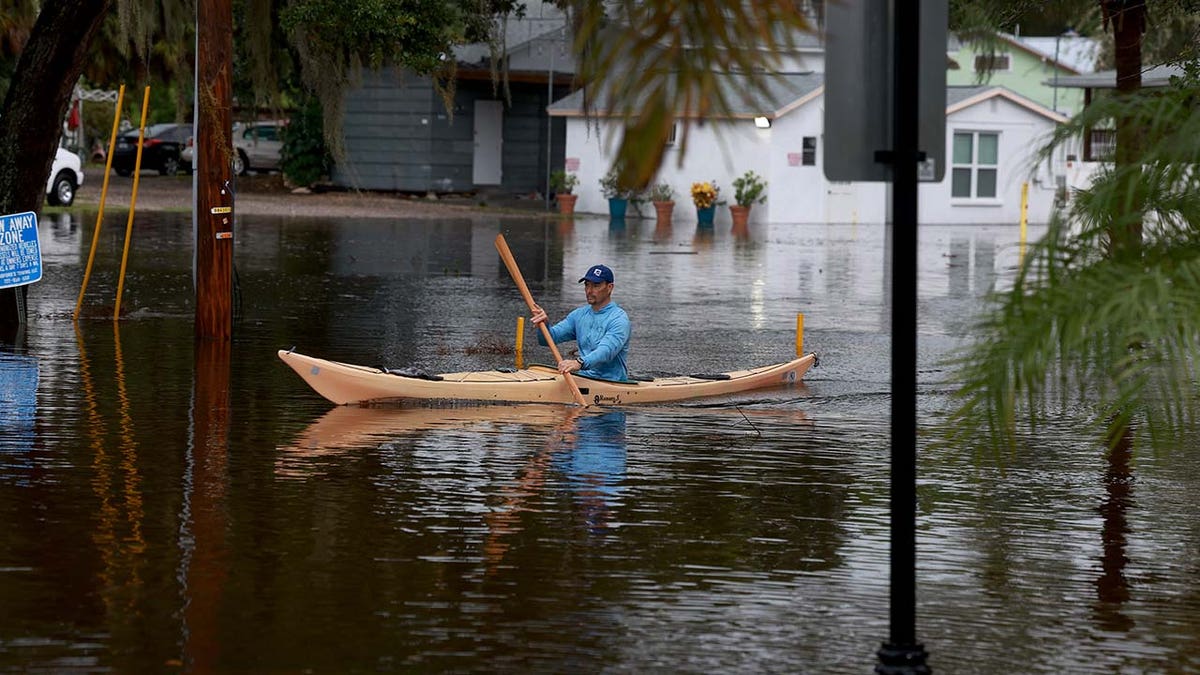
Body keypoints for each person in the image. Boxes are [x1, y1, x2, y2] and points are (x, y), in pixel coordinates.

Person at [530, 264, 631, 381]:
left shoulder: (619, 319)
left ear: (609, 287)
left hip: (611, 383)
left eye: (596, 285)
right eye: (587, 285)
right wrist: (544, 324)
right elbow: (546, 340)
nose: (589, 290)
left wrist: (579, 363)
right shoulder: (578, 315)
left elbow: (606, 352)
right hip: (582, 379)